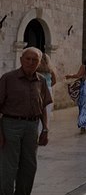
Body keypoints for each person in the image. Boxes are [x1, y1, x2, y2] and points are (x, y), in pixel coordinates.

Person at [0, 47, 52, 195]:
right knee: (9, 166)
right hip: (10, 125)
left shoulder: (41, 80)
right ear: (21, 60)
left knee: (29, 166)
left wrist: (45, 129)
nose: (30, 62)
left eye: (34, 60)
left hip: (32, 126)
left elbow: (42, 107)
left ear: (39, 62)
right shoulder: (8, 78)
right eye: (28, 59)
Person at [36, 53, 57, 124]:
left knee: (39, 107)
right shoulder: (50, 70)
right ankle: (45, 125)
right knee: (47, 107)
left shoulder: (37, 69)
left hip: (39, 89)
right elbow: (54, 81)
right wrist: (48, 86)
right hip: (48, 89)